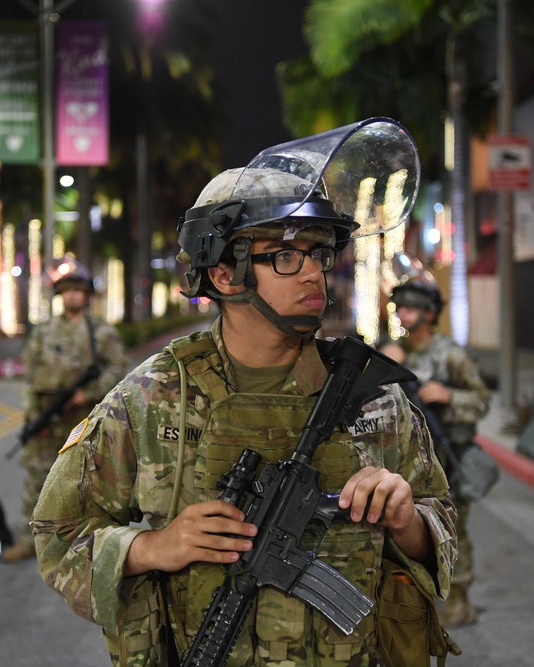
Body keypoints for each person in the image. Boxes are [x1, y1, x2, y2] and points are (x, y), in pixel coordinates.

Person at [32, 119, 458, 665]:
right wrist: (148, 548)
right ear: (226, 274)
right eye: (286, 255)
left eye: (319, 253)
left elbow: (440, 517)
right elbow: (57, 536)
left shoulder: (374, 398)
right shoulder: (152, 399)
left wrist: (409, 521)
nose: (313, 275)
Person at [379, 255, 491, 627]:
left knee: (453, 529)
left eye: (412, 307)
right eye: (401, 306)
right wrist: (383, 363)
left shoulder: (451, 355)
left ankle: (459, 598)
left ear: (428, 312)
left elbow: (481, 400)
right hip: (402, 461)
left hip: (447, 459)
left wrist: (448, 396)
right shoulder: (394, 350)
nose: (404, 313)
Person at [1, 257, 129, 562]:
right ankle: (28, 539)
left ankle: (83, 542)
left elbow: (118, 369)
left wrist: (87, 394)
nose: (72, 295)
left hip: (83, 420)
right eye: (67, 290)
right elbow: (29, 375)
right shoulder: (44, 332)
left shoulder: (100, 332)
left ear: (86, 294)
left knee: (86, 481)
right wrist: (34, 415)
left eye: (78, 290)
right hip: (49, 416)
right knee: (36, 479)